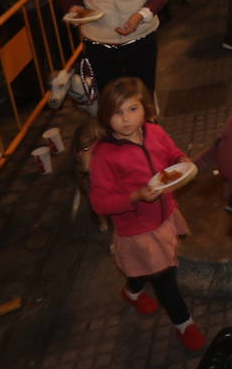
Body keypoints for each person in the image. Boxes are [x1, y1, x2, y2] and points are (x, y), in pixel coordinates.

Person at [87, 77, 205, 352]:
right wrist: (135, 197)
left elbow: (172, 152)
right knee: (164, 279)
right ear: (106, 117)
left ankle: (131, 292)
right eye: (118, 112)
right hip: (138, 229)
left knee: (140, 271)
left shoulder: (154, 131)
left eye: (132, 109)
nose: (127, 119)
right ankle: (184, 324)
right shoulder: (104, 156)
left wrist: (180, 161)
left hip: (164, 216)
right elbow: (100, 202)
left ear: (145, 108)